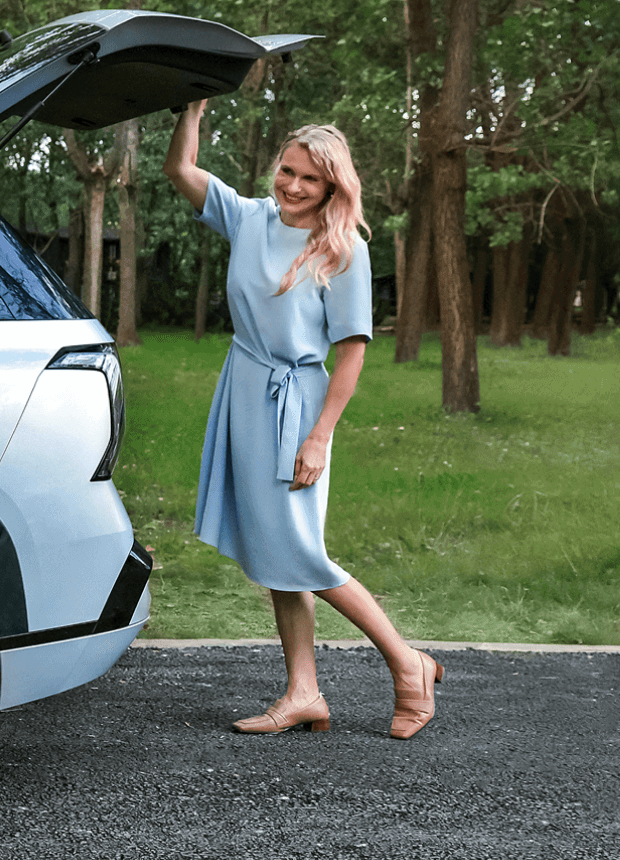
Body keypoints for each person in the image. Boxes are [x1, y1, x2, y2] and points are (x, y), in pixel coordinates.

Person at [163, 100, 444, 739]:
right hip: (244, 392)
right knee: (275, 551)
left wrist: (320, 436)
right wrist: (193, 110)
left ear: (332, 187)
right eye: (286, 171)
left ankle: (408, 664)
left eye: (308, 179)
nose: (291, 186)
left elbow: (350, 356)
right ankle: (304, 693)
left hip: (297, 406)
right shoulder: (251, 217)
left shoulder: (343, 251)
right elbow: (180, 169)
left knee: (299, 551)